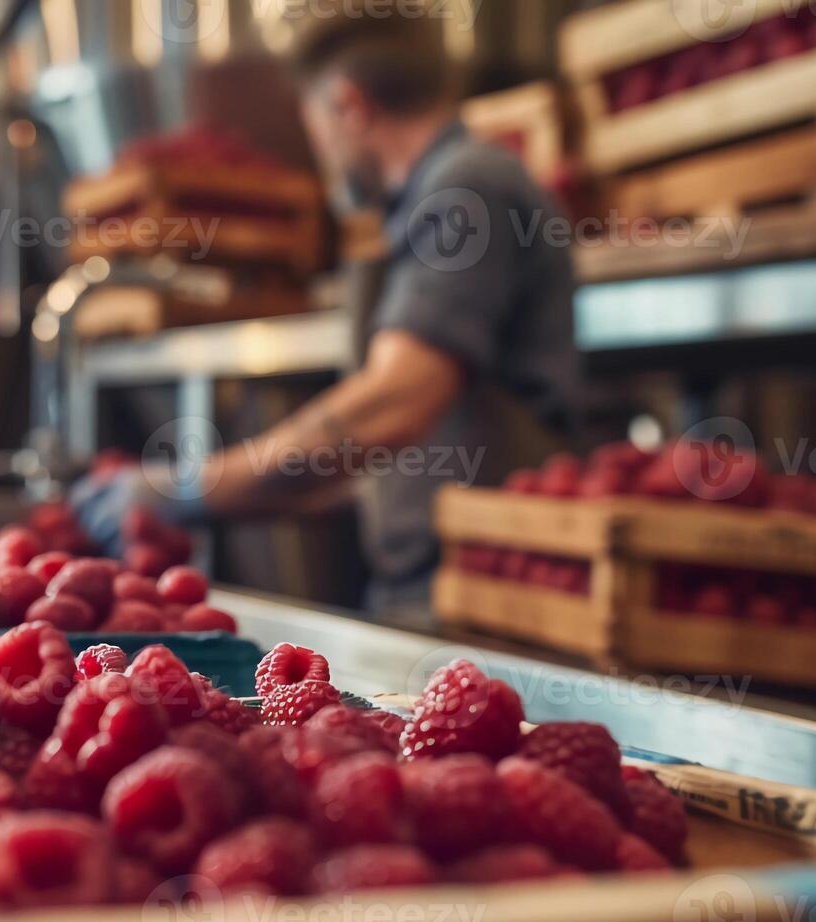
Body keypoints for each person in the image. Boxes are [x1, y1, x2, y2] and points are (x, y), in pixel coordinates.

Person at [72, 6, 580, 624]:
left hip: (487, 596)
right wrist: (230, 491)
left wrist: (179, 489)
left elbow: (393, 401)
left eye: (312, 123)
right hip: (445, 585)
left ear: (348, 106)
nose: (321, 152)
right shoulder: (433, 197)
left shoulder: (467, 186)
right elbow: (384, 447)